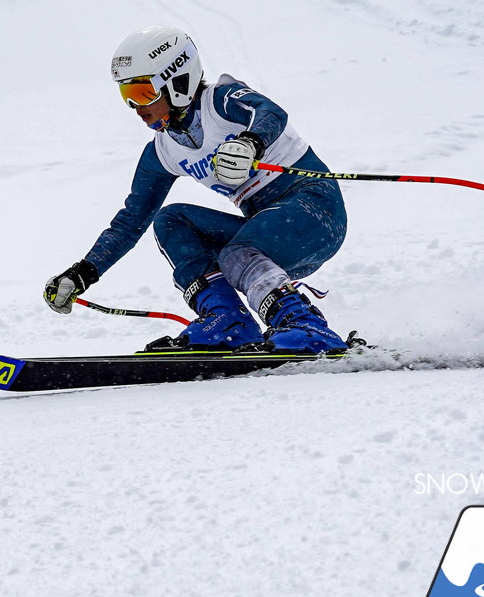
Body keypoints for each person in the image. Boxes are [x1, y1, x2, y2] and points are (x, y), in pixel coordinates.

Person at [42, 25, 349, 354]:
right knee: (171, 220)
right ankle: (228, 322)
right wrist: (83, 273)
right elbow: (131, 221)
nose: (135, 106)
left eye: (143, 92)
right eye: (126, 95)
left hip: (315, 212)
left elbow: (271, 113)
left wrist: (251, 142)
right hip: (268, 236)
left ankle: (306, 326)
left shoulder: (220, 101)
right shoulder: (162, 152)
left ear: (177, 81)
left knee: (235, 252)